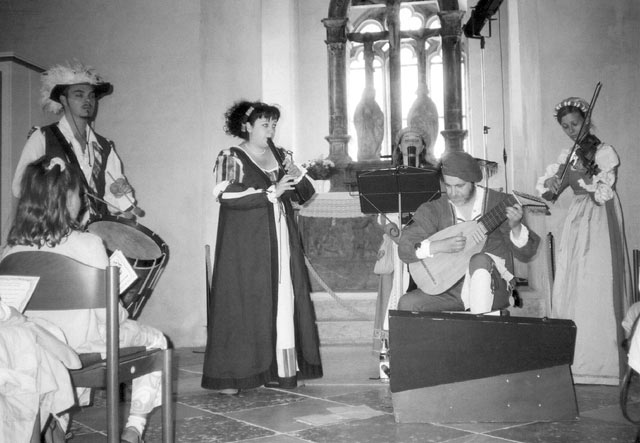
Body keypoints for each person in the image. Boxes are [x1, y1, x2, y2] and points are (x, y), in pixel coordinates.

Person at [1, 156, 167, 443]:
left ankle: (57, 423)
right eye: (79, 193)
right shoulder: (89, 244)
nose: (82, 200)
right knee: (158, 341)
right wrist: (120, 302)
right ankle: (132, 431)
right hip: (82, 350)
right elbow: (111, 321)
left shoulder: (9, 252)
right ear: (67, 198)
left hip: (35, 352)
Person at [202, 100, 323, 394]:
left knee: (283, 302)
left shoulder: (281, 155)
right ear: (247, 126)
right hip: (246, 246)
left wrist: (298, 174)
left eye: (273, 125)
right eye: (264, 124)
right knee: (243, 303)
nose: (270, 130)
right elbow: (225, 194)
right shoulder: (231, 155)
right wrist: (271, 192)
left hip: (281, 240)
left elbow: (304, 195)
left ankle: (280, 371)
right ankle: (233, 376)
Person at [536, 96, 632, 385]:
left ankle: (603, 364)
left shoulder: (603, 152)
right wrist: (552, 184)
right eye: (565, 126)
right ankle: (575, 362)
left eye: (575, 124)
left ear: (586, 121)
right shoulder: (569, 155)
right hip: (577, 220)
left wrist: (592, 175)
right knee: (574, 281)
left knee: (597, 281)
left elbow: (602, 192)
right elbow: (549, 194)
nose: (570, 130)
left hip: (600, 217)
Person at [397, 151, 540, 313]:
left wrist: (516, 227)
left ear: (473, 181)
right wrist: (438, 246)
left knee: (479, 260)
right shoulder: (434, 209)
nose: (452, 193)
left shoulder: (500, 203)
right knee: (407, 304)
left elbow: (527, 253)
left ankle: (479, 328)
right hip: (449, 289)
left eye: (459, 186)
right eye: (448, 186)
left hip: (493, 286)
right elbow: (404, 248)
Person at [11, 61, 136, 223]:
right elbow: (21, 186)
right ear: (63, 100)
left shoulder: (104, 147)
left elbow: (118, 206)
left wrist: (118, 192)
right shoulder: (42, 137)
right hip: (54, 230)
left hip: (94, 234)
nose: (88, 100)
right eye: (79, 95)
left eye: (91, 96)